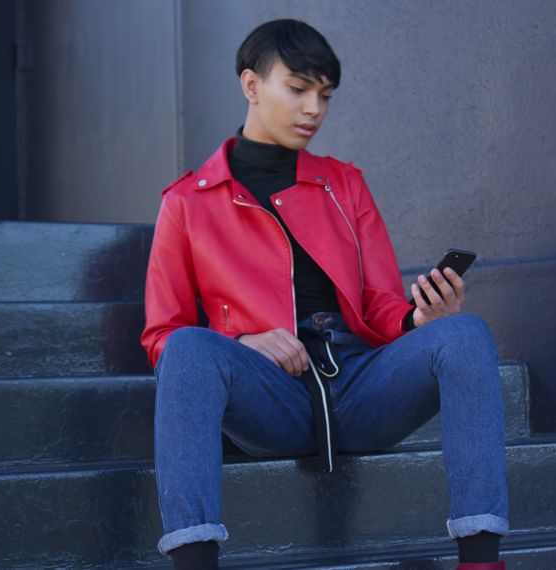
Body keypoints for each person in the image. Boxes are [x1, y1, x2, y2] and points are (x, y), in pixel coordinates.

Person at [141, 19, 508, 570]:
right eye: (298, 88)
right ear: (251, 85)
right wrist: (244, 341)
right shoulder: (186, 203)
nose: (314, 108)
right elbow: (161, 337)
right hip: (273, 394)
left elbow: (378, 303)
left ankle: (481, 560)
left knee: (465, 334)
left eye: (325, 94)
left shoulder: (345, 183)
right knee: (189, 350)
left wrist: (418, 320)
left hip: (360, 383)